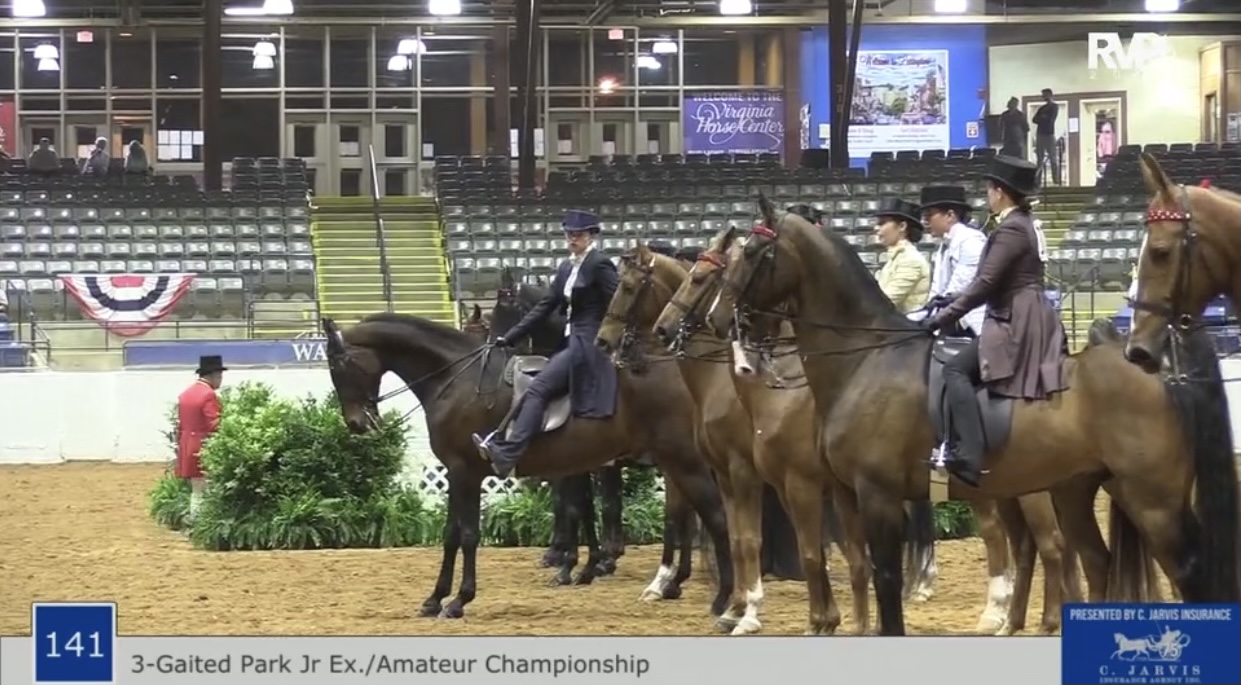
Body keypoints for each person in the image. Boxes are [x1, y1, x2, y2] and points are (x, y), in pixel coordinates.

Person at [922, 156, 1069, 486]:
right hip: (1020, 308)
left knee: (956, 369)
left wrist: (940, 319)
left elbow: (985, 284)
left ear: (1000, 192)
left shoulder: (1012, 228)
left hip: (1016, 316)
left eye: (989, 189)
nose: (987, 196)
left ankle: (970, 455)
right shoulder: (1021, 224)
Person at [474, 209, 620, 477]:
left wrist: (610, 338)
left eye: (578, 235)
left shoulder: (600, 264)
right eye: (569, 235)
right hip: (568, 342)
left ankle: (508, 454)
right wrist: (511, 336)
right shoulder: (566, 267)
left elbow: (618, 305)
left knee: (538, 388)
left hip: (589, 343)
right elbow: (544, 307)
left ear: (590, 236)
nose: (572, 239)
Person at [915, 184, 986, 337]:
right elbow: (937, 290)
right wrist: (924, 313)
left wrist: (933, 320)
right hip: (951, 319)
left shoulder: (971, 242)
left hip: (972, 326)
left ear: (950, 215)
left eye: (929, 215)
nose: (925, 221)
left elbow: (958, 288)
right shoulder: (944, 245)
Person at [177, 355, 226, 523]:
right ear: (212, 375)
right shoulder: (208, 395)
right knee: (207, 488)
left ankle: (195, 521)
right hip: (203, 446)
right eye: (219, 376)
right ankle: (203, 522)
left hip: (187, 444)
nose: (220, 380)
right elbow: (214, 424)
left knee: (197, 489)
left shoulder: (186, 394)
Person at [872, 198, 931, 313]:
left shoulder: (910, 260)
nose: (876, 228)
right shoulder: (896, 258)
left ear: (902, 226)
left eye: (882, 223)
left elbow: (886, 302)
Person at [1032, 88, 1060, 186]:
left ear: (1050, 95)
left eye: (1044, 95)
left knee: (1053, 158)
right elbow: (1034, 119)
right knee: (1039, 159)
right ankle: (1038, 181)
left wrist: (1042, 118)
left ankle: (1056, 180)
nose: (1043, 97)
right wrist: (1043, 117)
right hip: (1040, 134)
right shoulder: (1042, 108)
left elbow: (1051, 119)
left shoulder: (1054, 107)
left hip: (1049, 134)